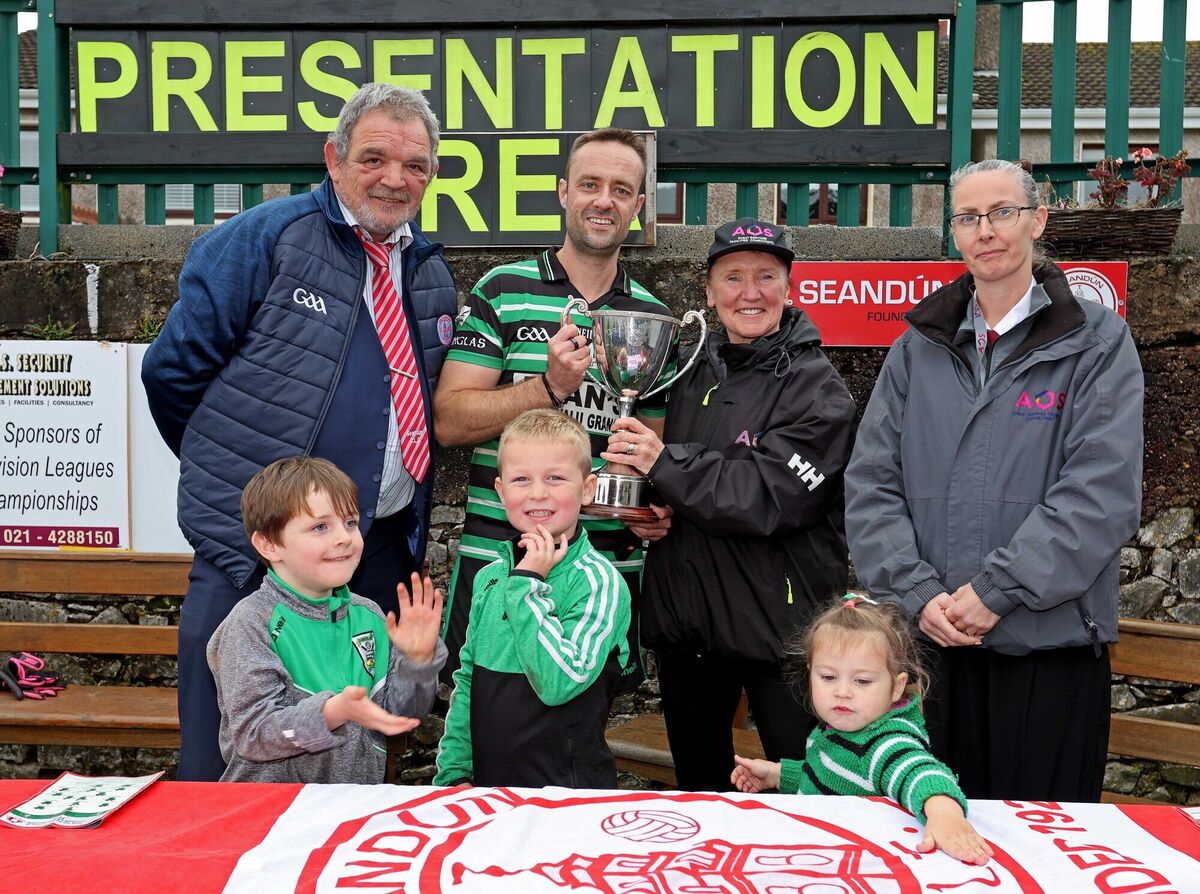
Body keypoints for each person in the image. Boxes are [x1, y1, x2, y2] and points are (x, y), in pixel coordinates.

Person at [141, 83, 457, 780]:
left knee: (358, 747)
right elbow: (172, 375)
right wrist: (243, 489)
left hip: (370, 555)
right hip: (252, 557)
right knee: (224, 761)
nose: (396, 179)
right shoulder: (262, 238)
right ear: (334, 158)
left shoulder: (431, 274)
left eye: (416, 167)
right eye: (374, 158)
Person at [844, 159, 1144, 802]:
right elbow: (870, 484)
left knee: (1041, 854)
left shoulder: (1097, 342)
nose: (986, 230)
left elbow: (1102, 493)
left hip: (1048, 651)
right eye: (969, 217)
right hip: (929, 652)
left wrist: (999, 588)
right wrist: (920, 593)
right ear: (954, 233)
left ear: (1037, 220)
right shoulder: (917, 346)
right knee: (926, 845)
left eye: (1002, 212)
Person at [603, 218, 856, 791]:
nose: (751, 292)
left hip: (781, 639)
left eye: (767, 276)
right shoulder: (691, 374)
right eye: (733, 277)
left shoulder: (819, 389)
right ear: (709, 292)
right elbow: (684, 487)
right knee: (700, 798)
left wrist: (664, 464)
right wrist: (653, 511)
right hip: (689, 632)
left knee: (807, 792)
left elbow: (769, 496)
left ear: (790, 288)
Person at [433, 128, 671, 687]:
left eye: (621, 189)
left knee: (581, 745)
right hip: (500, 562)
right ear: (564, 192)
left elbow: (647, 455)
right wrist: (548, 387)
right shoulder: (503, 289)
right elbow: (447, 421)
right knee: (487, 727)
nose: (603, 200)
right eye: (590, 184)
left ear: (637, 206)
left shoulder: (652, 318)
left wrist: (654, 508)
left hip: (602, 572)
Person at [207, 456, 446, 784]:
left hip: (351, 808)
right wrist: (333, 712)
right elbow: (254, 734)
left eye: (350, 523)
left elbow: (403, 714)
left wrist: (417, 664)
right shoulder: (251, 623)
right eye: (320, 527)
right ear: (270, 544)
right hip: (271, 815)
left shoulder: (370, 616)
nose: (344, 538)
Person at [434, 410, 633, 788]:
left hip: (568, 800)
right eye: (521, 479)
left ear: (587, 489)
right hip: (490, 791)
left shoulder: (599, 583)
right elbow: (469, 682)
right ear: (500, 491)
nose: (537, 493)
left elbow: (562, 681)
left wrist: (528, 584)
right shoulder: (491, 578)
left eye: (555, 478)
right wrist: (455, 773)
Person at [731, 597, 992, 867]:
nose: (842, 691)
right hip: (822, 854)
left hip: (855, 866)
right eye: (828, 677)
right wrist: (777, 775)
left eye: (862, 681)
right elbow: (832, 774)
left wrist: (944, 814)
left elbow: (920, 772)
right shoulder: (841, 726)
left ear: (896, 687)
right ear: (810, 673)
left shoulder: (884, 742)